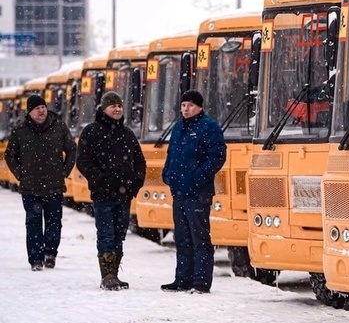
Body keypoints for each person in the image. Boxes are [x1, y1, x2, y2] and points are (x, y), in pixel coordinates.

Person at [76, 91, 146, 290]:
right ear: (103, 109)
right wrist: (100, 180)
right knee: (106, 234)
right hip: (103, 195)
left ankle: (114, 274)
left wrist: (136, 182)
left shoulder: (127, 134)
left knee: (119, 234)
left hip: (124, 195)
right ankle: (107, 275)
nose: (116, 109)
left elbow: (140, 161)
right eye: (112, 106)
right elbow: (83, 161)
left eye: (119, 106)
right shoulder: (91, 131)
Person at [161, 90, 226, 294]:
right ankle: (182, 280)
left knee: (200, 238)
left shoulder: (209, 127)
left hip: (198, 193)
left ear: (199, 107)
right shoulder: (179, 127)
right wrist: (167, 174)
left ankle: (200, 282)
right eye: (183, 105)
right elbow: (172, 154)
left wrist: (197, 178)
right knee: (182, 238)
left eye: (189, 105)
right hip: (179, 192)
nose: (185, 109)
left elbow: (217, 156)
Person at [6, 94, 76, 271]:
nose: (41, 110)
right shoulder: (20, 130)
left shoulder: (58, 126)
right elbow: (10, 155)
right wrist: (20, 174)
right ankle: (36, 259)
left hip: (54, 186)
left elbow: (72, 150)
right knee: (33, 224)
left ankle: (50, 253)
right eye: (37, 108)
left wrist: (64, 172)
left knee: (54, 223)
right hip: (30, 187)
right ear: (30, 112)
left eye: (43, 107)